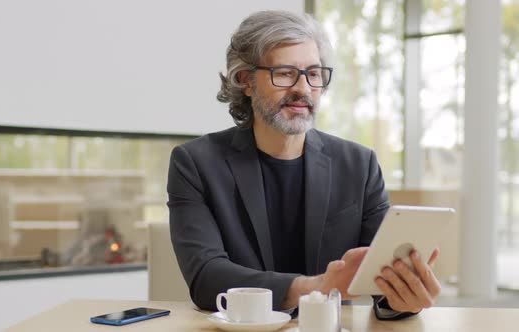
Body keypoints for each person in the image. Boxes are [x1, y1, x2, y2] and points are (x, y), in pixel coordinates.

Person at [167, 10, 441, 320]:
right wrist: (316, 286)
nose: (303, 88)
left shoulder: (359, 165)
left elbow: (380, 277)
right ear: (244, 80)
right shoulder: (195, 163)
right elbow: (206, 278)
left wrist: (402, 298)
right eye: (284, 73)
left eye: (314, 73)